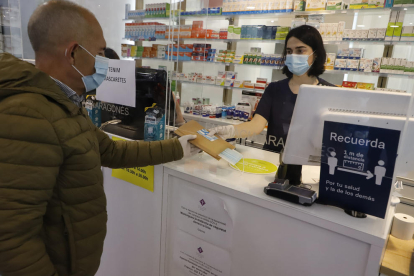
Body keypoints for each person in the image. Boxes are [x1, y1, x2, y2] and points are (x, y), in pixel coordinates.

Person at [0, 2, 197, 276]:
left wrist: (179, 147)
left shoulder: (62, 105)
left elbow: (112, 153)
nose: (107, 63)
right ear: (72, 53)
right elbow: (10, 240)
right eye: (101, 53)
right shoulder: (29, 116)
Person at [209, 25, 335, 153]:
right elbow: (256, 125)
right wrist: (230, 131)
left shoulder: (330, 93)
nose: (293, 56)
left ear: (316, 54)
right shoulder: (275, 89)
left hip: (310, 166)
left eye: (300, 51)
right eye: (289, 51)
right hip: (272, 160)